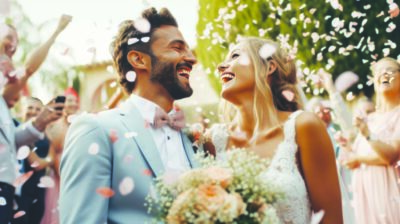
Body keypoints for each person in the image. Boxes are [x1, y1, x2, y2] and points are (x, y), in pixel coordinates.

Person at [59, 7, 200, 223]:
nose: (191, 58)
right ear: (139, 60)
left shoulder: (192, 137)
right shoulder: (95, 130)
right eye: (177, 48)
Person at [206, 37, 343, 223]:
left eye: (235, 56)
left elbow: (331, 219)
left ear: (269, 67)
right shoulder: (213, 141)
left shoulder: (303, 127)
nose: (221, 66)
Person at [0, 15, 70, 224]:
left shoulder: (2, 103)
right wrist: (56, 31)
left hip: (7, 186)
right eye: (7, 40)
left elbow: (9, 140)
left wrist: (40, 122)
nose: (12, 47)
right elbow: (28, 71)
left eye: (15, 45)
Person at [343, 57, 400, 224]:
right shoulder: (371, 119)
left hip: (390, 193)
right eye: (379, 71)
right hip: (366, 195)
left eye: (389, 70)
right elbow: (355, 158)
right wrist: (347, 149)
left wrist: (367, 135)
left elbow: (391, 156)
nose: (383, 73)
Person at [41, 88, 79, 224]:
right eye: (69, 100)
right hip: (60, 177)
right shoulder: (56, 125)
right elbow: (55, 154)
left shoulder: (78, 124)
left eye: (75, 101)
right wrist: (64, 178)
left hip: (74, 175)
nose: (73, 104)